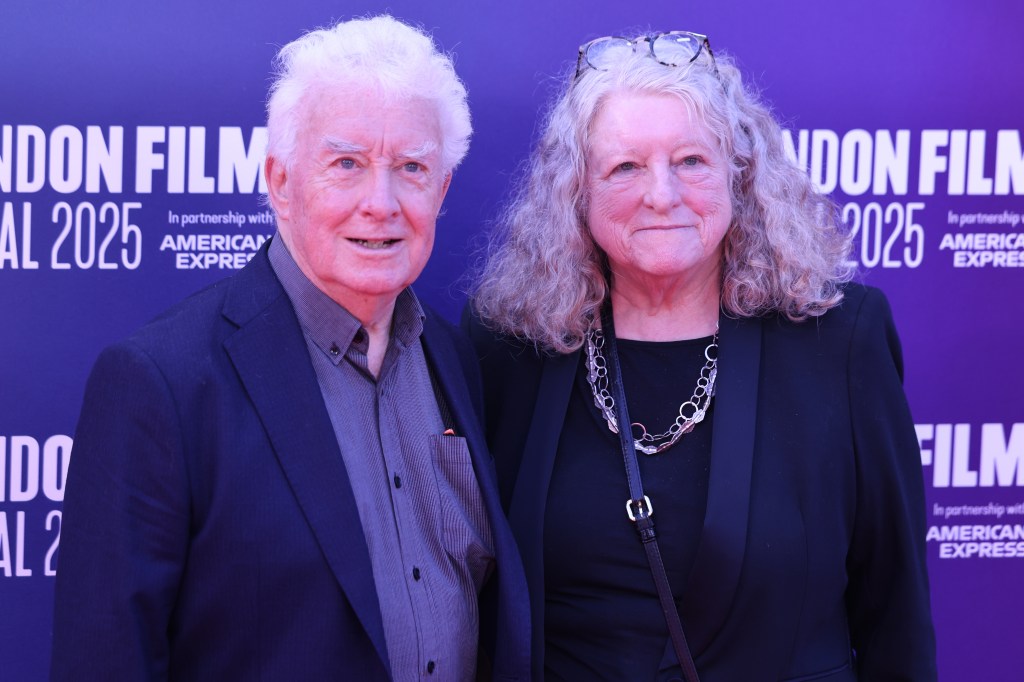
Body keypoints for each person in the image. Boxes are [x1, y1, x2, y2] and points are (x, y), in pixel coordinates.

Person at [51, 16, 529, 681]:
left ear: (441, 190)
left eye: (411, 168)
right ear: (280, 181)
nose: (381, 202)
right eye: (347, 164)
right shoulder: (160, 382)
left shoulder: (455, 359)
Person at [466, 30, 936, 681]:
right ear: (577, 192)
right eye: (625, 167)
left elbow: (895, 613)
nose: (662, 194)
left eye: (691, 160)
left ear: (739, 176)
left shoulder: (841, 340)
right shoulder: (511, 347)